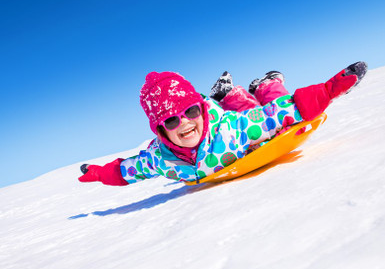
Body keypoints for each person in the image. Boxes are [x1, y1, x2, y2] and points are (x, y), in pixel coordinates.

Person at [78, 61, 367, 185]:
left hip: (237, 120)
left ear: (201, 110)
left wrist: (328, 91)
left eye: (191, 112)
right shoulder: (159, 158)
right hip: (221, 114)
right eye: (171, 119)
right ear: (160, 129)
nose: (185, 123)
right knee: (246, 106)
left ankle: (265, 84)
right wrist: (101, 173)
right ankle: (231, 92)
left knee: (267, 102)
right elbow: (130, 170)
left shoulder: (234, 131)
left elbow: (280, 112)